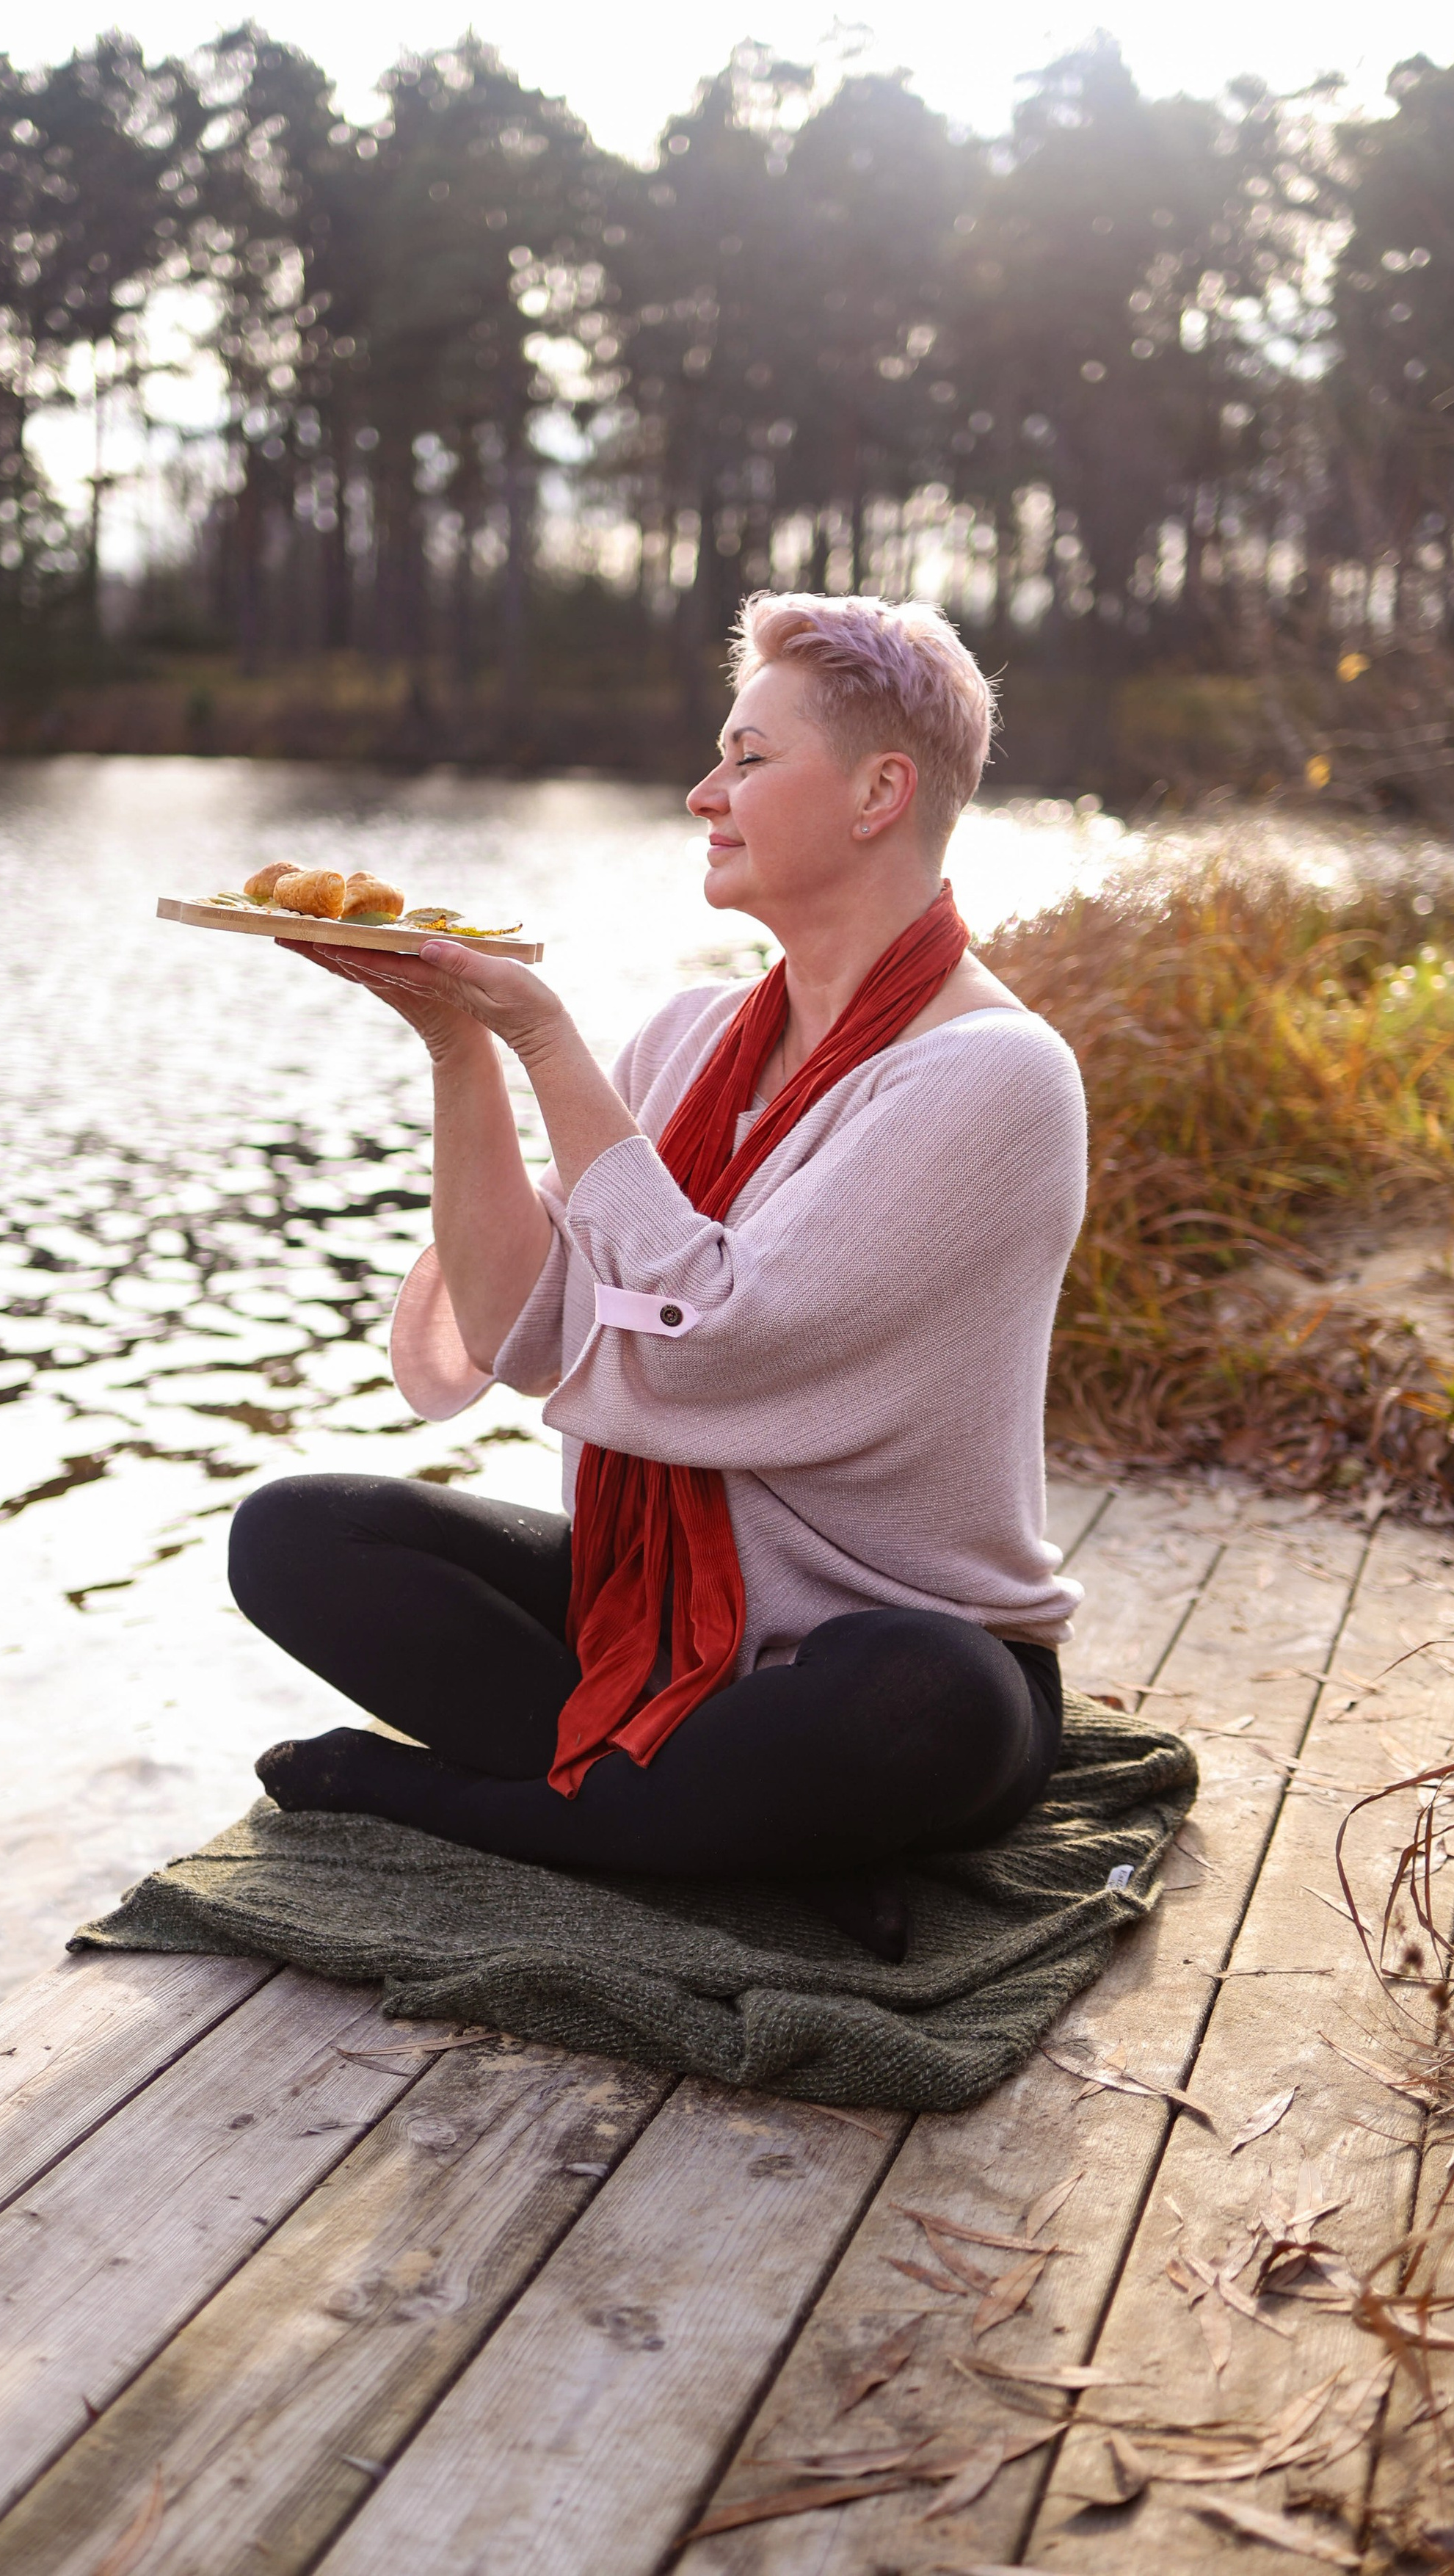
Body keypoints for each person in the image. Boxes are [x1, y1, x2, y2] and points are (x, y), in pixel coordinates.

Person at [230, 592, 1088, 1961]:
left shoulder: (994, 1078)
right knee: (293, 1533)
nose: (707, 793)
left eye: (751, 759)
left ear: (882, 791)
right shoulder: (691, 1040)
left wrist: (551, 1044)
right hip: (664, 1623)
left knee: (927, 1694)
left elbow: (714, 1338)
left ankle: (456, 1804)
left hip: (885, 1655)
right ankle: (721, 1836)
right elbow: (520, 1327)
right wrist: (465, 1047)